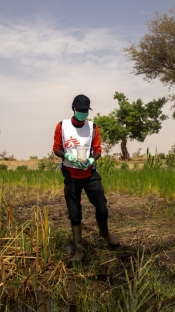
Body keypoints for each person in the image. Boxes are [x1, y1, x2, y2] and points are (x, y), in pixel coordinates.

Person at [53, 94, 119, 262]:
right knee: (75, 214)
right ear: (73, 109)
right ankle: (79, 249)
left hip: (90, 174)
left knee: (102, 207)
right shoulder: (62, 126)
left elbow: (97, 149)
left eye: (85, 111)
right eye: (80, 110)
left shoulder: (92, 127)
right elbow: (56, 148)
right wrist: (68, 157)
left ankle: (105, 234)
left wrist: (91, 159)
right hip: (71, 175)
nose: (82, 113)